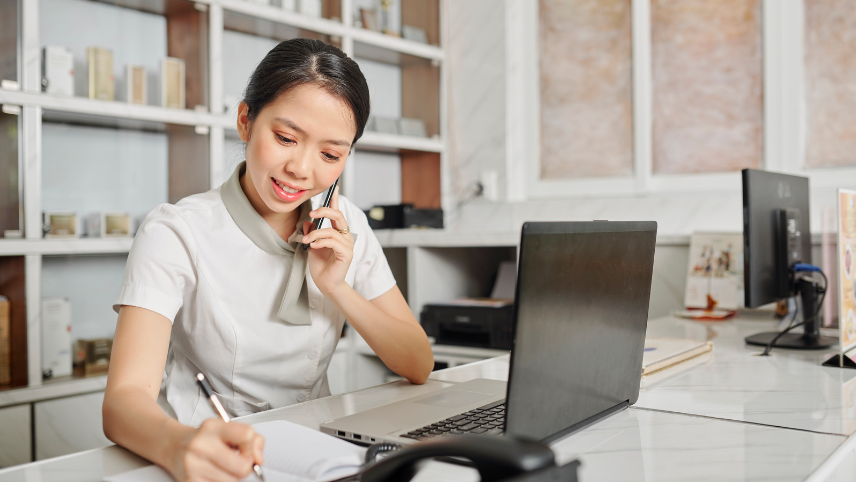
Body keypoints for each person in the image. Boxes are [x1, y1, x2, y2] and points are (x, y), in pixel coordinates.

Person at [102, 38, 434, 482]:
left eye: (331, 154)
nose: (301, 168)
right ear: (245, 122)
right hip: (206, 453)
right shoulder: (176, 231)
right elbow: (123, 399)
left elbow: (418, 362)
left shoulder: (345, 225)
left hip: (316, 454)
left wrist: (337, 287)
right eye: (285, 138)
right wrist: (178, 445)